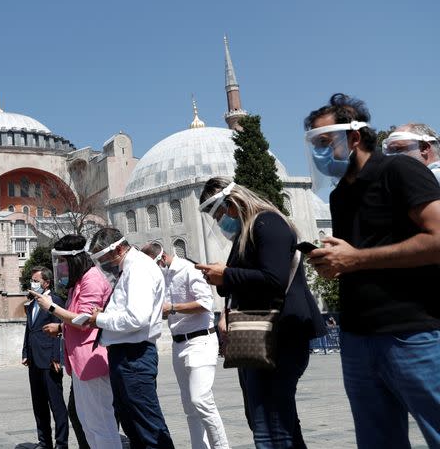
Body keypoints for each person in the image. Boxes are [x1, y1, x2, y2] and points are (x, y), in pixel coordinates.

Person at [304, 93, 440, 448]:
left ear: (353, 137)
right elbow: (355, 256)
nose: (319, 153)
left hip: (412, 333)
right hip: (358, 339)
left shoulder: (399, 170)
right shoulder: (339, 195)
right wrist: (333, 264)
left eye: (324, 142)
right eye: (314, 144)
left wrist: (357, 259)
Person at [196, 178, 325, 449]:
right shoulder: (246, 231)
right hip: (256, 331)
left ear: (232, 204)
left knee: (270, 424)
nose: (219, 221)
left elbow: (273, 279)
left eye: (218, 213)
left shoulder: (267, 223)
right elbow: (244, 279)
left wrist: (227, 274)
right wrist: (220, 278)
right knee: (269, 418)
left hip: (281, 332)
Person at [86, 227, 175, 449]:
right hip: (125, 355)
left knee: (148, 427)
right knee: (134, 425)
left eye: (103, 257)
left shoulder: (138, 269)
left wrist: (101, 320)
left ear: (117, 249)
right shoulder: (129, 268)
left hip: (134, 356)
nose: (104, 263)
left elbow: (137, 318)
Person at [33, 235, 122, 449]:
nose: (60, 268)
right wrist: (62, 326)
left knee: (101, 424)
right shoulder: (78, 282)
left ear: (74, 260)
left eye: (62, 262)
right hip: (81, 363)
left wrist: (51, 308)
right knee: (87, 422)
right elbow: (74, 320)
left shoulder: (91, 278)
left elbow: (84, 320)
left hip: (94, 360)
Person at [141, 241, 230, 449]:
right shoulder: (160, 276)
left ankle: (222, 447)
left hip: (201, 340)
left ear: (162, 259)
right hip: (178, 342)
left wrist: (172, 308)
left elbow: (206, 303)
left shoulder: (188, 270)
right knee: (189, 407)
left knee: (201, 400)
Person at [22, 266, 69, 449]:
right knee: (39, 405)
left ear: (46, 283)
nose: (33, 283)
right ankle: (44, 442)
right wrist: (26, 352)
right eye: (32, 280)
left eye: (36, 280)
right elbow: (30, 330)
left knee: (56, 405)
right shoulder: (33, 303)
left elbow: (60, 329)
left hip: (50, 361)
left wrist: (57, 357)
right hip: (34, 360)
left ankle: (61, 444)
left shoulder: (54, 301)